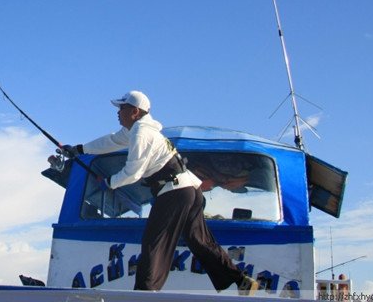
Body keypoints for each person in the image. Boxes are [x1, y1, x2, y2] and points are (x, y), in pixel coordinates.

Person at [61, 90, 259, 294]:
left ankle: (145, 294)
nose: (118, 112)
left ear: (135, 111)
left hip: (174, 191)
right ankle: (241, 281)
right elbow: (111, 141)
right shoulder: (138, 130)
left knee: (154, 243)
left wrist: (110, 182)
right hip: (189, 189)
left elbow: (133, 171)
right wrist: (79, 149)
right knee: (199, 240)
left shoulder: (141, 133)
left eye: (122, 108)